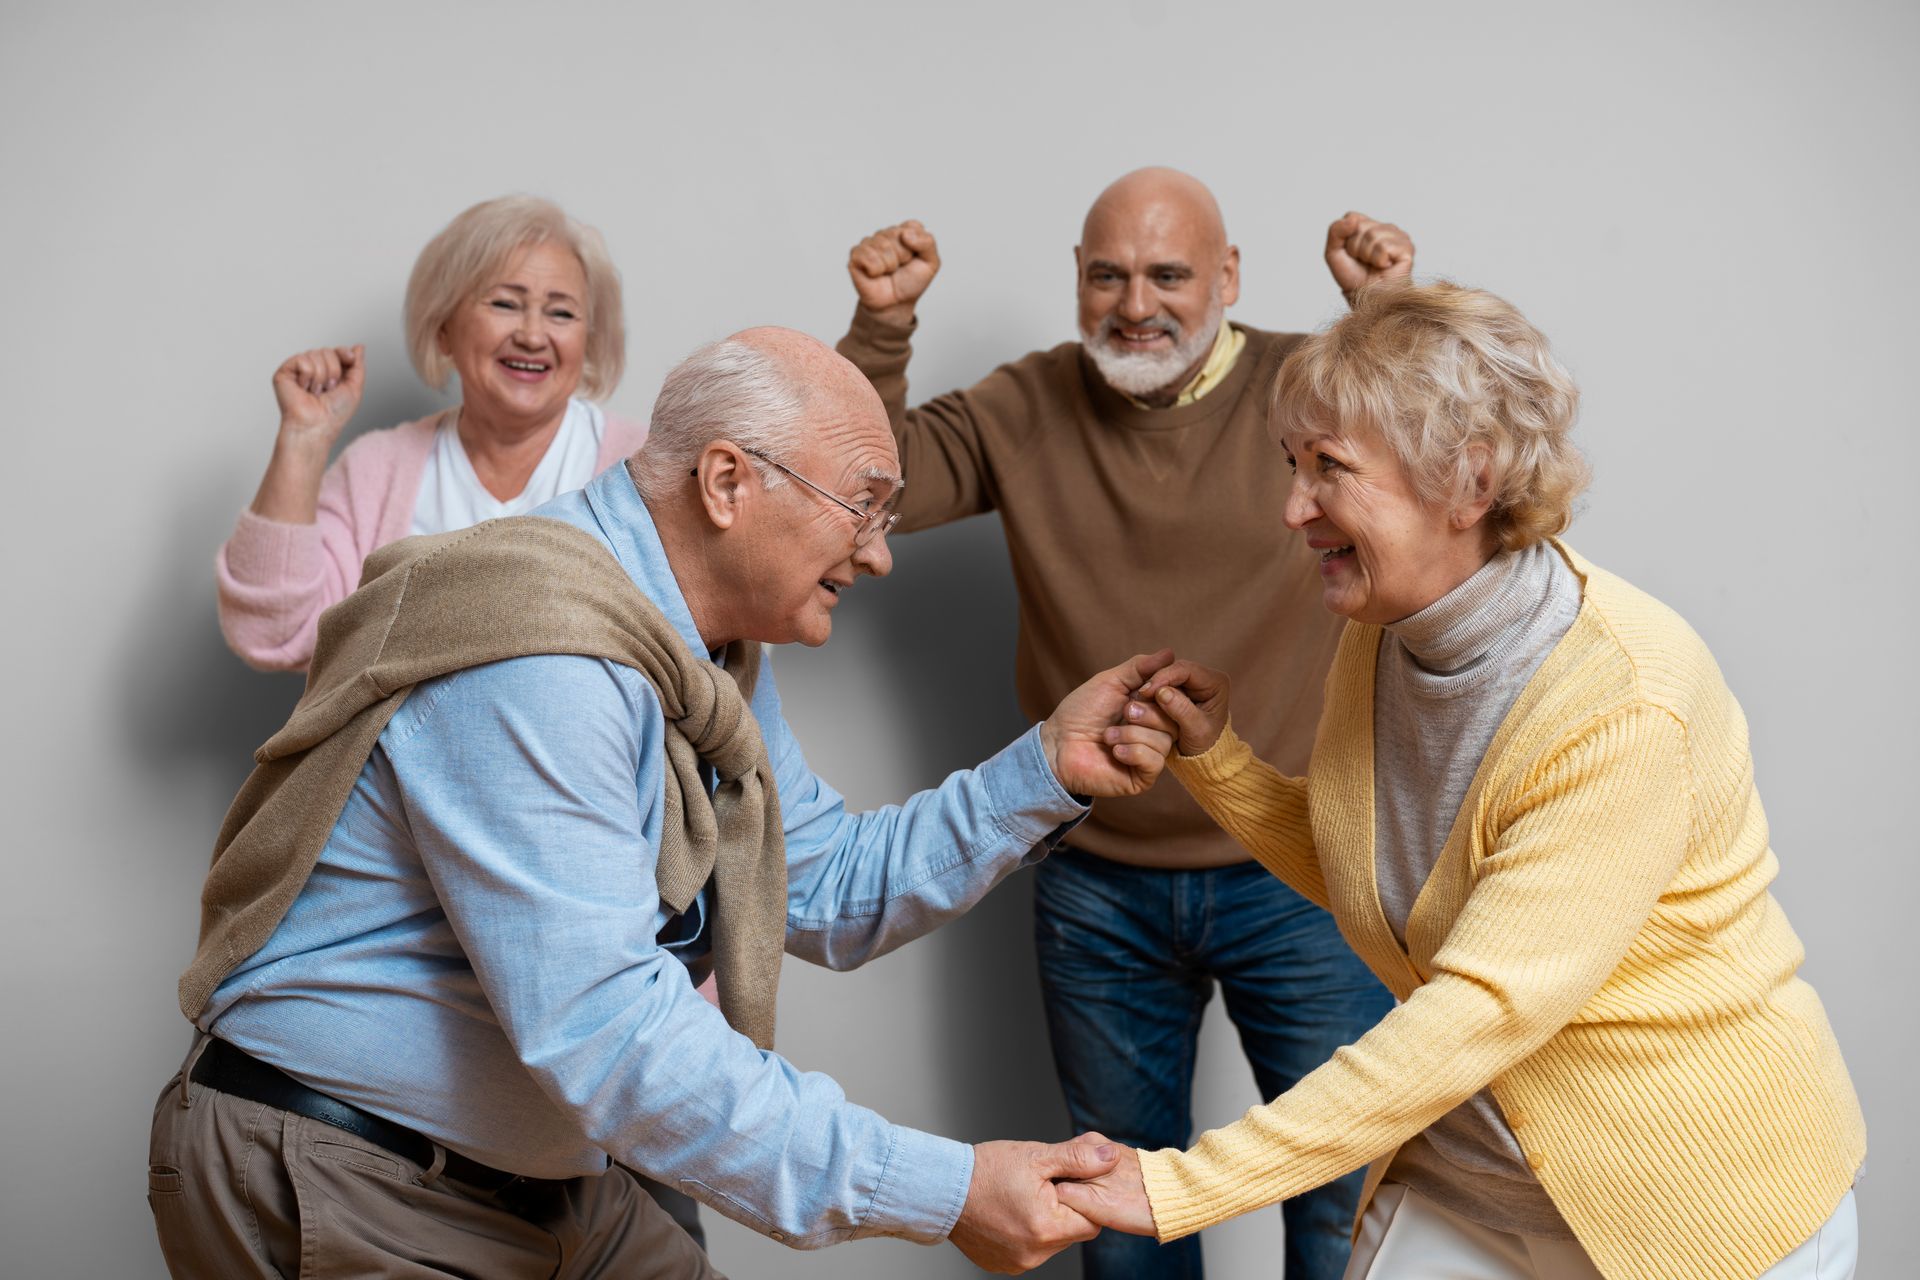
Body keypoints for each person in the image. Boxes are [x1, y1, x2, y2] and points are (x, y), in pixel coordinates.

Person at [151, 326, 1182, 1278]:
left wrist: (1048, 767)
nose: (878, 552)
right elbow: (609, 1030)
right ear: (728, 481)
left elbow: (818, 883)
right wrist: (944, 1189)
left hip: (539, 1171)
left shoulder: (707, 656)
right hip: (355, 1168)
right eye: (862, 505)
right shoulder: (541, 653)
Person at [1054, 282, 1867, 1280]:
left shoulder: (1622, 701)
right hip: (1479, 1181)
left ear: (1468, 483)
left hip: (1698, 1201)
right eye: (1291, 463)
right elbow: (1380, 872)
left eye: (1329, 469)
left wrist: (1182, 1184)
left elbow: (1479, 1003)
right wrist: (1218, 760)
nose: (1293, 506)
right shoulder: (1385, 635)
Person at [836, 167, 1411, 1278]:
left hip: (1297, 867)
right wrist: (883, 325)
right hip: (1096, 879)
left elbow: (1427, 462)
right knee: (1120, 1213)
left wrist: (1384, 317)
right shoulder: (1027, 404)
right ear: (1078, 281)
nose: (1134, 303)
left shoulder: (1309, 387)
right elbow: (864, 482)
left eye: (1167, 273)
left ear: (1229, 278)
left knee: (1350, 1194)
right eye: (1108, 274)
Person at [216, 194, 648, 672]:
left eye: (561, 313)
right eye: (505, 303)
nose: (531, 334)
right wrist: (303, 438)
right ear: (444, 329)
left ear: (589, 338)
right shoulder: (376, 470)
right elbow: (273, 633)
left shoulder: (644, 466)